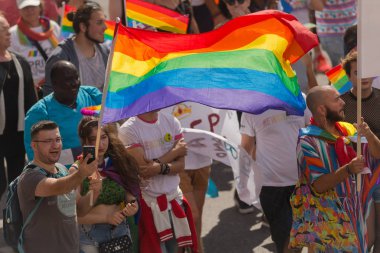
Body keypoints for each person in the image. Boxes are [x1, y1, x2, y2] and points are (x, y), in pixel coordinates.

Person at [299, 85, 380, 252]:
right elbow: (319, 185)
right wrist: (348, 169)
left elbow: (377, 154)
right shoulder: (307, 141)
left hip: (355, 219)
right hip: (327, 223)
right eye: (336, 100)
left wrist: (369, 135)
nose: (343, 102)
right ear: (322, 109)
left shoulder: (347, 129)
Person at [119, 110, 198, 253]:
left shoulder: (172, 121)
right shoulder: (128, 129)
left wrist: (159, 166)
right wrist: (175, 152)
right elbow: (144, 171)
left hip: (175, 200)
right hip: (148, 205)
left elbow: (180, 166)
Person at [17, 120, 97, 253]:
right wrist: (81, 174)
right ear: (34, 146)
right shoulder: (29, 177)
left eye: (58, 139)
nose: (55, 145)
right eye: (48, 141)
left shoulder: (62, 170)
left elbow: (80, 211)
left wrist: (94, 191)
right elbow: (58, 187)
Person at [239, 104, 311, 253]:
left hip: (301, 183)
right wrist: (244, 181)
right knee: (284, 239)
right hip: (270, 186)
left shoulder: (299, 99)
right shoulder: (252, 108)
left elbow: (311, 133)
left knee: (300, 238)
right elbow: (246, 147)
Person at [71, 116, 141, 253]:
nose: (101, 144)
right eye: (94, 139)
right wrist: (106, 217)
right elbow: (74, 215)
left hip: (120, 232)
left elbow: (130, 196)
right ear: (84, 141)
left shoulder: (118, 163)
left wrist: (132, 206)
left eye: (103, 137)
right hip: (91, 237)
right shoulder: (77, 170)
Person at [24, 60, 102, 167]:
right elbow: (35, 155)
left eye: (76, 77)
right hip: (62, 178)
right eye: (68, 80)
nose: (74, 83)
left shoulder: (91, 95)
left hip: (97, 170)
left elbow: (113, 116)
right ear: (54, 84)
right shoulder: (39, 112)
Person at [341, 51, 380, 252]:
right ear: (348, 76)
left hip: (379, 176)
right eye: (357, 72)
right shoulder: (339, 104)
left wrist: (369, 134)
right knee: (362, 235)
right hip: (351, 179)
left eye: (366, 72)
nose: (363, 77)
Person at [0, 13, 37, 196]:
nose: (9, 33)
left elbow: (31, 100)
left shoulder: (20, 62)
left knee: (16, 182)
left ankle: (13, 222)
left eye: (8, 29)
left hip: (17, 134)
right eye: (4, 30)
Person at [44, 1, 109, 95]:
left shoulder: (105, 52)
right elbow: (50, 99)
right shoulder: (60, 57)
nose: (105, 27)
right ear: (83, 27)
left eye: (104, 21)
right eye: (99, 23)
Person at [9, 0, 61, 96]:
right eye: (25, 8)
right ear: (19, 10)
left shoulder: (53, 27)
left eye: (33, 7)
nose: (29, 11)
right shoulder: (12, 34)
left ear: (40, 7)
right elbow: (12, 65)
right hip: (30, 89)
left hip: (55, 85)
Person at [313, 0, 356, 66]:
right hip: (331, 32)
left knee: (353, 67)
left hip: (352, 29)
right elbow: (318, 5)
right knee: (340, 69)